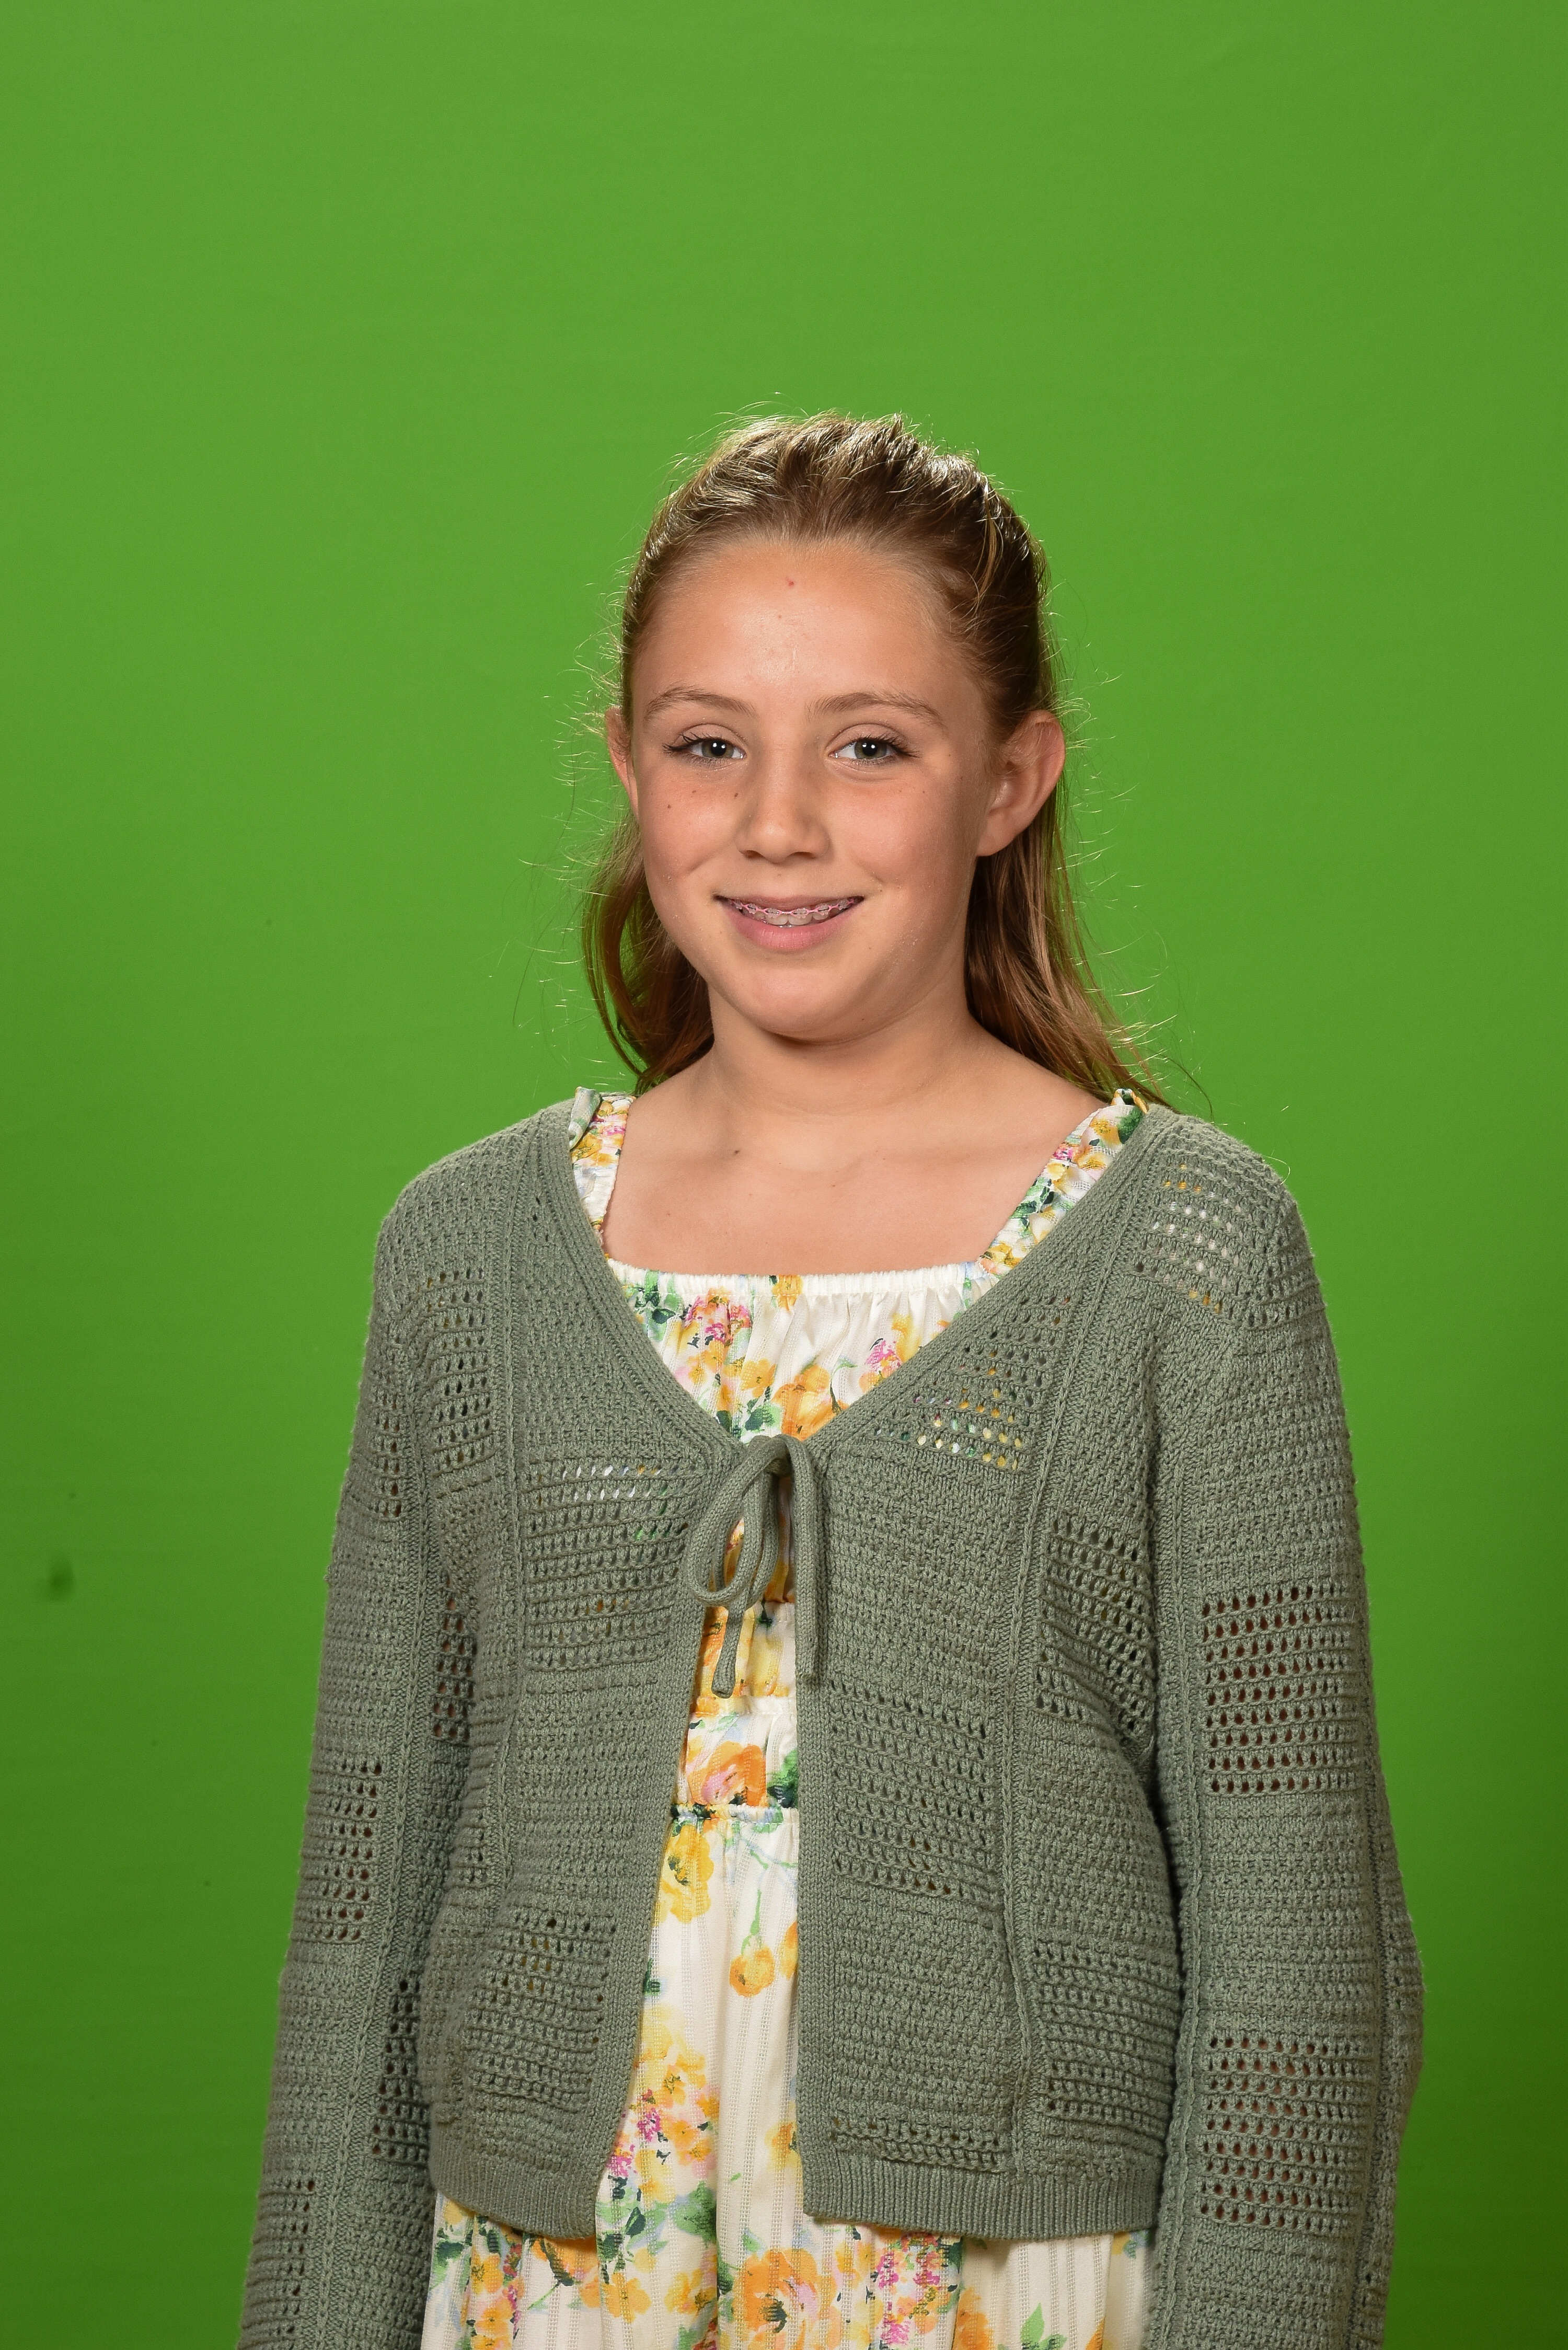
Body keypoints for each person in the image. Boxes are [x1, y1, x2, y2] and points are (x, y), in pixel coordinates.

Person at [239, 414, 1421, 2350]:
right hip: (551, 2280)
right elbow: (364, 1916)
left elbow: (1301, 1954)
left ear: (1008, 781)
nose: (777, 823)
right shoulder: (467, 1263)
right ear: (631, 770)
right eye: (710, 745)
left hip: (1010, 2286)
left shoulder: (1187, 1258)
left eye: (870, 747)